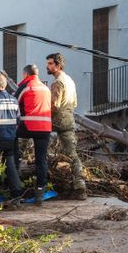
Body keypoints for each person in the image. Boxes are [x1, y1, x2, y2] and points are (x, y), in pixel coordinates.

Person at [46, 53, 87, 200]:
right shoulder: (70, 80)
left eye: (50, 64)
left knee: (42, 148)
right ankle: (80, 186)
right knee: (72, 154)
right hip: (69, 121)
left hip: (56, 121)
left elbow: (54, 105)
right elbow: (75, 103)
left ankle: (45, 184)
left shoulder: (57, 82)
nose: (48, 66)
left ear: (58, 66)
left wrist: (44, 115)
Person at [14, 64, 52, 204]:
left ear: (26, 75)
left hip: (28, 126)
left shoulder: (26, 86)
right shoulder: (45, 88)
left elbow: (14, 103)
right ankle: (40, 193)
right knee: (41, 160)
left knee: (12, 141)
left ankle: (14, 184)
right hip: (45, 128)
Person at [0, 74, 23, 200]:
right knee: (10, 165)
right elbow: (18, 119)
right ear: (5, 85)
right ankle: (17, 193)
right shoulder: (14, 100)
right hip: (10, 138)